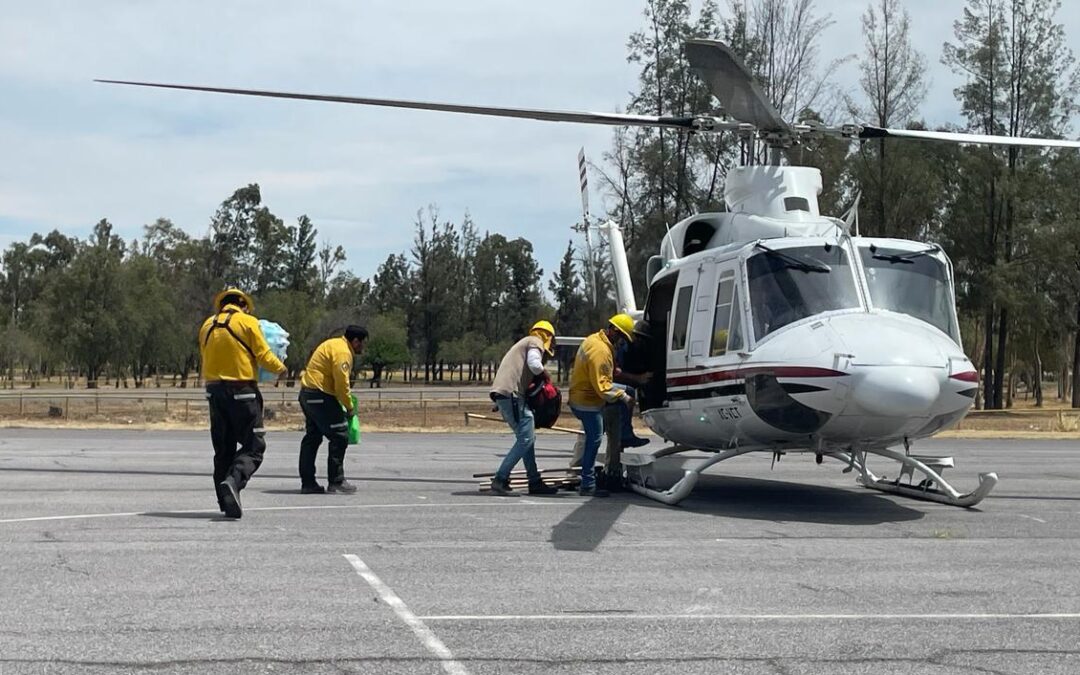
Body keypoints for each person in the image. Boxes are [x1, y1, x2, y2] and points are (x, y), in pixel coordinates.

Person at [198, 288, 287, 519]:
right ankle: (233, 482)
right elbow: (264, 354)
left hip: (214, 391)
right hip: (242, 390)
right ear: (242, 305)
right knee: (254, 446)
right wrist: (281, 369)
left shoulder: (207, 325)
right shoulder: (248, 322)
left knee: (223, 448)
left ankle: (225, 500)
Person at [487, 320, 561, 496]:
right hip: (512, 395)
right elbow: (535, 365)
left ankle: (534, 481)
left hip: (505, 395)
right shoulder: (534, 342)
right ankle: (500, 479)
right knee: (526, 439)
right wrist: (545, 375)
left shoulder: (523, 344)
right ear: (547, 336)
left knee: (527, 438)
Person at [568, 314, 636, 497]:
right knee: (594, 440)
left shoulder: (594, 339)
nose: (622, 343)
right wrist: (623, 397)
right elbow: (603, 387)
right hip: (587, 402)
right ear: (614, 331)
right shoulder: (601, 351)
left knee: (592, 438)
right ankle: (588, 484)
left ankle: (627, 434)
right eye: (622, 338)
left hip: (580, 395)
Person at [298, 325, 369, 494]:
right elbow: (341, 384)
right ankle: (336, 481)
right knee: (339, 435)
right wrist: (350, 408)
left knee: (312, 438)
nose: (363, 347)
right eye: (362, 343)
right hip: (320, 395)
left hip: (307, 394)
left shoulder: (334, 343)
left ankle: (308, 483)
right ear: (355, 341)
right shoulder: (343, 352)